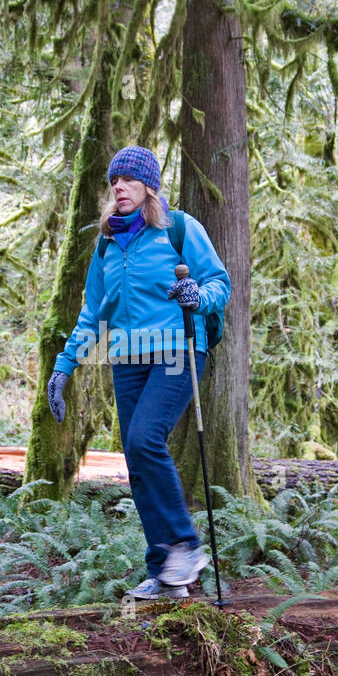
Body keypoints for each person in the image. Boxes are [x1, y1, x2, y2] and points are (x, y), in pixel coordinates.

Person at [46, 146, 231, 599]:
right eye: (114, 181)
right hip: (126, 358)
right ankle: (167, 574)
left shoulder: (179, 228)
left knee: (146, 438)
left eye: (128, 180)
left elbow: (218, 283)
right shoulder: (108, 245)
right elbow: (93, 312)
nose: (118, 187)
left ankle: (185, 546)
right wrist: (63, 366)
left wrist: (196, 295)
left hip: (177, 351)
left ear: (149, 186)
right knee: (136, 458)